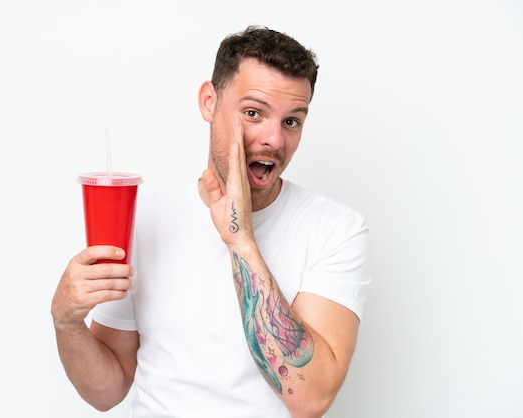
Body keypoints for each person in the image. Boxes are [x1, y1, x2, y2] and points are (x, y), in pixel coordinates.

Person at [51, 25, 370, 418]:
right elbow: (107, 391)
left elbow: (310, 399)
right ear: (209, 102)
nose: (274, 139)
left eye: (292, 121)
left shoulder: (335, 230)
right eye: (254, 113)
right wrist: (66, 322)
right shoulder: (145, 221)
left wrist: (240, 240)